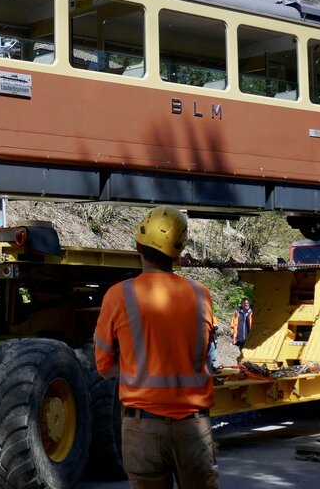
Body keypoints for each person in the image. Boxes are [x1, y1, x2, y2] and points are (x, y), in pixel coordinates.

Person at [95, 206, 217, 488]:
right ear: (178, 253)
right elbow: (204, 352)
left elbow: (104, 368)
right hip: (193, 427)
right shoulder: (201, 295)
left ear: (138, 247)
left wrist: (134, 366)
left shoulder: (119, 295)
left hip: (142, 428)